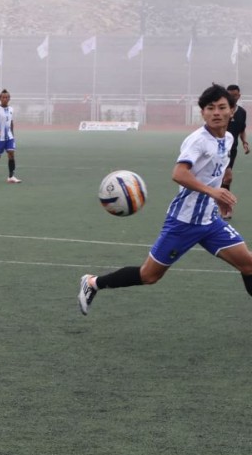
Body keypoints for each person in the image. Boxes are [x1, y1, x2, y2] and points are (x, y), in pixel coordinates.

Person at [78, 83, 252, 316]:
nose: (216, 113)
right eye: (210, 108)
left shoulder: (228, 138)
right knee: (149, 275)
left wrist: (218, 194)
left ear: (232, 111)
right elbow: (179, 173)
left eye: (222, 107)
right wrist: (212, 192)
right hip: (184, 222)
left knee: (248, 265)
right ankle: (92, 283)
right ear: (203, 113)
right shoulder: (198, 140)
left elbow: (214, 171)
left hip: (210, 222)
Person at [220, 84, 248, 220]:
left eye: (235, 95)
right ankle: (225, 207)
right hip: (219, 148)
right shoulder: (221, 111)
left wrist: (245, 142)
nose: (232, 97)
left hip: (233, 149)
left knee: (224, 178)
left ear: (239, 96)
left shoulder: (242, 112)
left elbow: (242, 130)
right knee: (227, 177)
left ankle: (220, 204)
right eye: (229, 95)